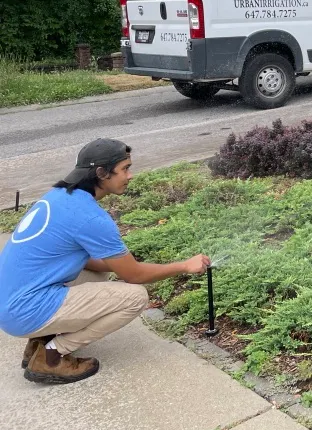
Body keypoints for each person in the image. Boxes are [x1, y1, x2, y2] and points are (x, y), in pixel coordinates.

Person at [0, 139, 210, 384]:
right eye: (125, 169)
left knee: (102, 271)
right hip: (24, 311)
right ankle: (51, 355)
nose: (130, 176)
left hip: (10, 302)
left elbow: (93, 261)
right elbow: (134, 276)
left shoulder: (59, 196)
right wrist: (184, 265)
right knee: (135, 297)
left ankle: (39, 340)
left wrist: (121, 262)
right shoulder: (90, 217)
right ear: (101, 173)